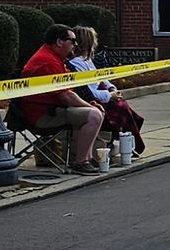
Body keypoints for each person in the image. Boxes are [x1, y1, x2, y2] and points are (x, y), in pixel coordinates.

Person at [18, 24, 106, 172]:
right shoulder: (49, 61)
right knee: (94, 115)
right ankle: (80, 162)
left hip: (51, 109)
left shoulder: (52, 57)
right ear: (59, 42)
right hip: (42, 115)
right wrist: (89, 106)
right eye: (72, 41)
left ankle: (87, 158)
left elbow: (67, 92)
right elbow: (66, 96)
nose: (75, 45)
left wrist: (87, 104)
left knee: (95, 112)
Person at [67, 25, 146, 159]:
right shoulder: (76, 64)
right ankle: (129, 142)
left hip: (103, 96)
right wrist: (110, 96)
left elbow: (102, 79)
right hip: (93, 100)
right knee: (121, 108)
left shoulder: (89, 62)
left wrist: (112, 89)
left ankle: (127, 141)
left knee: (122, 105)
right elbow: (89, 91)